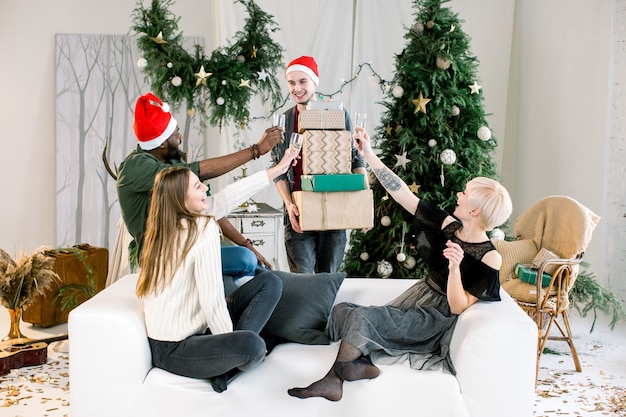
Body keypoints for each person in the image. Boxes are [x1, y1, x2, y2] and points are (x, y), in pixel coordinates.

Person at [287, 127, 512, 401]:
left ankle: (333, 382)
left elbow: (457, 306)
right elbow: (402, 194)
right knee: (342, 310)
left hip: (434, 318)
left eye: (464, 193)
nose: (458, 194)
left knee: (361, 317)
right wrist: (369, 154)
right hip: (418, 298)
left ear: (474, 211)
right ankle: (357, 363)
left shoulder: (490, 256)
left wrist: (455, 269)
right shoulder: (449, 226)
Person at [136, 145, 299, 393]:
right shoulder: (200, 229)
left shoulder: (171, 222)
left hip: (199, 330)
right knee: (253, 347)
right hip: (174, 348)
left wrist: (277, 169)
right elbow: (212, 301)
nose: (205, 188)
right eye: (197, 186)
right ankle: (226, 370)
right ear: (181, 199)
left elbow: (226, 197)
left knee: (271, 281)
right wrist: (230, 348)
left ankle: (227, 363)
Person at [117, 92, 284, 280]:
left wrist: (246, 244)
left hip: (191, 247)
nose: (180, 138)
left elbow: (210, 207)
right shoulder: (136, 167)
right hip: (164, 258)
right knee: (244, 260)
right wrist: (256, 150)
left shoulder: (168, 162)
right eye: (175, 134)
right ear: (162, 142)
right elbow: (199, 171)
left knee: (262, 271)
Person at [270, 56, 368, 273]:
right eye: (292, 83)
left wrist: (364, 201)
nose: (297, 88)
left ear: (315, 82)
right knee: (302, 280)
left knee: (328, 279)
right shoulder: (285, 121)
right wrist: (288, 204)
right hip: (299, 209)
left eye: (303, 81)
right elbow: (278, 169)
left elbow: (355, 158)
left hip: (334, 205)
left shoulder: (338, 114)